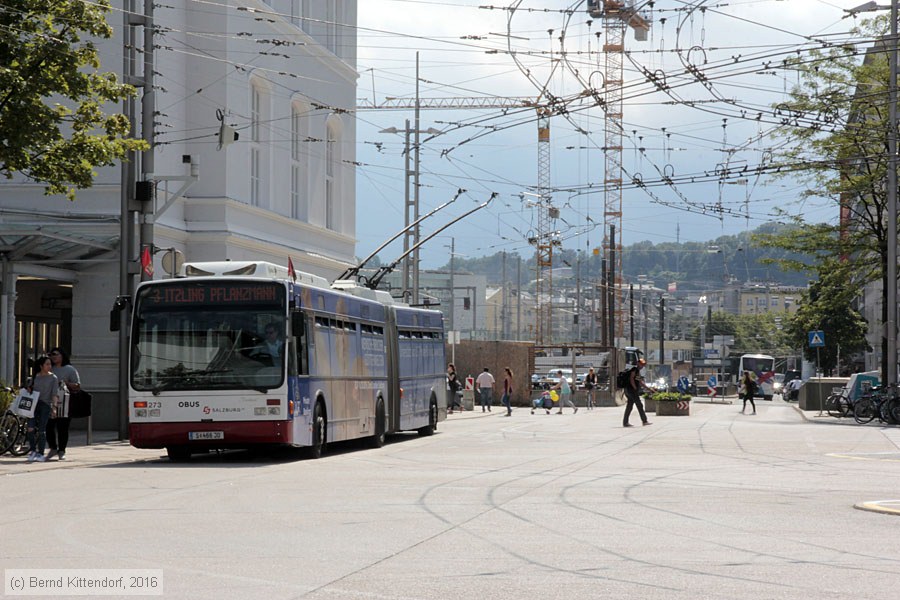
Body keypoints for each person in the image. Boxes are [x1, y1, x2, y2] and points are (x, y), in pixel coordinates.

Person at [46, 347, 80, 461]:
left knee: (63, 427)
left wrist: (66, 383)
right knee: (49, 426)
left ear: (62, 356)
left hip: (64, 402)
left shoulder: (69, 369)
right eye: (51, 355)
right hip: (50, 401)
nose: (53, 357)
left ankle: (62, 450)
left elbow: (77, 385)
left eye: (56, 354)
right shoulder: (49, 368)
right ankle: (53, 448)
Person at [25, 355, 59, 462]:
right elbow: (29, 389)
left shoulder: (53, 378)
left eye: (50, 364)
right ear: (41, 366)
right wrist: (29, 388)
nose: (49, 366)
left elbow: (54, 394)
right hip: (33, 404)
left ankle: (40, 453)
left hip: (45, 404)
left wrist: (54, 407)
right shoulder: (36, 376)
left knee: (41, 430)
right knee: (30, 428)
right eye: (47, 364)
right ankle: (33, 450)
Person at [623, 359, 651, 427]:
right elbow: (632, 379)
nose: (642, 366)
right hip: (631, 391)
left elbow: (640, 382)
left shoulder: (636, 371)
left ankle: (625, 422)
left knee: (629, 406)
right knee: (639, 405)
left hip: (627, 390)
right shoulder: (634, 370)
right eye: (641, 364)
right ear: (638, 363)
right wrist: (635, 388)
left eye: (643, 364)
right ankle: (644, 421)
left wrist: (648, 388)